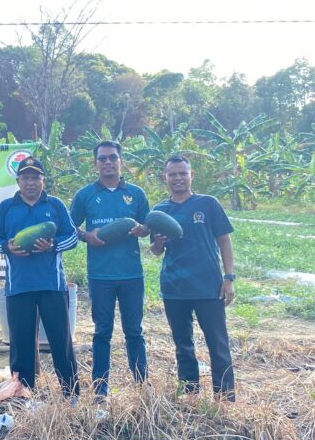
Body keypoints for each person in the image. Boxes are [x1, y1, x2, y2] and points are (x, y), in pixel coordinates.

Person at [0, 156, 81, 399]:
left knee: (61, 341)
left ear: (43, 180)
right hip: (18, 286)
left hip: (52, 285)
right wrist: (7, 246)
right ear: (18, 181)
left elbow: (72, 238)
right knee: (21, 344)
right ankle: (23, 393)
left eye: (35, 178)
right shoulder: (7, 208)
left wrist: (52, 245)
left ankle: (71, 394)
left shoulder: (56, 205)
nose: (30, 183)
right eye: (25, 178)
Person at [150, 155, 236, 401]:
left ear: (191, 175)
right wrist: (157, 242)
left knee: (218, 344)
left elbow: (224, 240)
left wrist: (228, 277)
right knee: (183, 344)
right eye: (172, 174)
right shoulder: (159, 211)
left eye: (182, 173)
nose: (177, 178)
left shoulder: (208, 204)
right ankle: (189, 394)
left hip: (209, 287)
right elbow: (156, 251)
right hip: (174, 288)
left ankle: (226, 397)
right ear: (165, 177)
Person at [69, 140, 151, 398]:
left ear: (120, 161)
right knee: (102, 332)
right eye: (102, 158)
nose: (107, 162)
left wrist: (143, 229)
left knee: (134, 331)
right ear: (95, 163)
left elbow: (150, 226)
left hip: (132, 275)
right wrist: (86, 236)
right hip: (100, 276)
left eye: (112, 158)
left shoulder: (136, 194)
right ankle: (100, 390)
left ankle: (141, 387)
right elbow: (68, 228)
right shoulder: (85, 195)